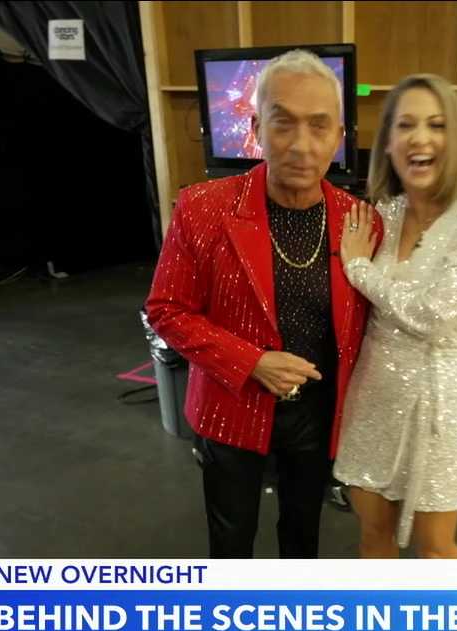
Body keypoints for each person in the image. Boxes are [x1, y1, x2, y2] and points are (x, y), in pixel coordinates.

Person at [145, 50, 381, 566]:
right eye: (283, 123)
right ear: (255, 128)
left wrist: (452, 354)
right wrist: (250, 361)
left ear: (339, 138)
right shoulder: (203, 207)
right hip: (231, 405)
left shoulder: (360, 220)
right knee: (231, 542)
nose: (301, 144)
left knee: (303, 535)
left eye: (319, 126)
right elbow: (166, 309)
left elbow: (382, 316)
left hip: (317, 413)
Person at [332, 73, 457, 560]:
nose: (420, 138)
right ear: (388, 142)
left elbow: (432, 315)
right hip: (374, 389)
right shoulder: (382, 215)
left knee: (435, 550)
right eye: (406, 125)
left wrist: (359, 269)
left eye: (436, 125)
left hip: (441, 399)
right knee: (373, 531)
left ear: (455, 138)